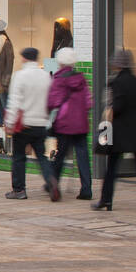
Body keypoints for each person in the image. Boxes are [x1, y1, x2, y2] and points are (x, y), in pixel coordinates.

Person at [94, 49, 136, 214]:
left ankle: (106, 199)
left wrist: (108, 114)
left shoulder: (116, 82)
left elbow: (117, 107)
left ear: (118, 64)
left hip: (120, 131)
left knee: (112, 167)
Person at [4, 47, 59, 201]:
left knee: (19, 157)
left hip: (24, 124)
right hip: (40, 124)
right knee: (41, 156)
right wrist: (48, 120)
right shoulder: (46, 77)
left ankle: (19, 189)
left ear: (24, 58)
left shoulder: (19, 76)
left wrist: (9, 122)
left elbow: (14, 101)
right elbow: (50, 101)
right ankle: (51, 180)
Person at [46, 47, 93, 201]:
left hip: (64, 123)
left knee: (60, 155)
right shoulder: (81, 79)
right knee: (83, 157)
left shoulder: (59, 79)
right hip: (81, 124)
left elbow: (52, 101)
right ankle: (86, 189)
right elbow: (88, 102)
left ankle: (53, 183)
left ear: (59, 62)